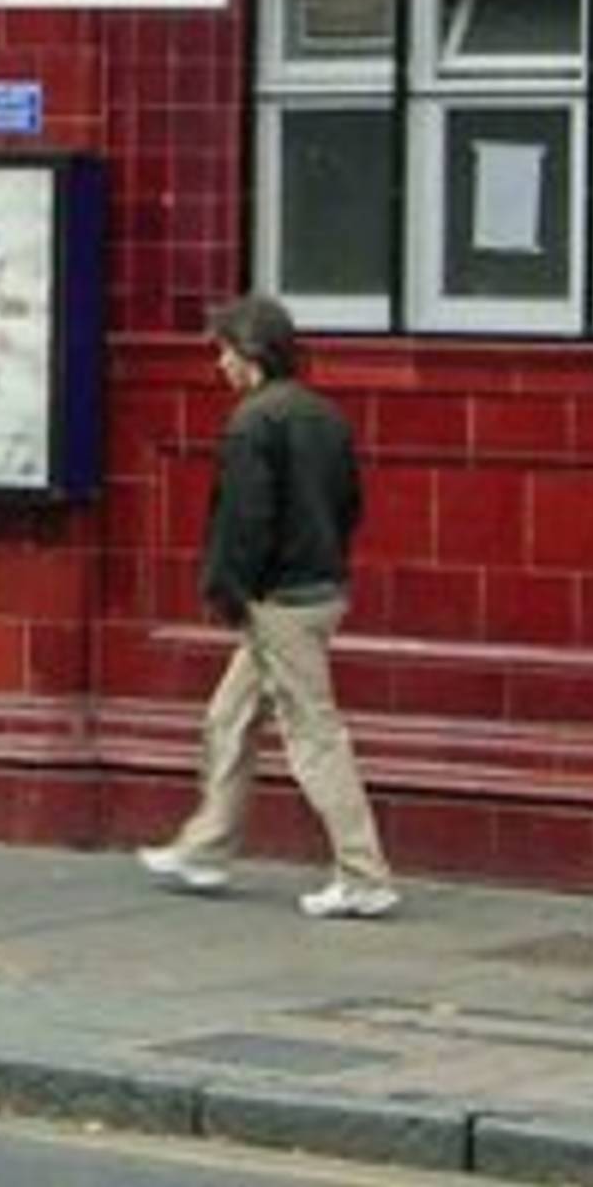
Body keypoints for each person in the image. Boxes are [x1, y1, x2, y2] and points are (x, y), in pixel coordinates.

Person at [136, 292, 402, 921]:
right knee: (228, 715)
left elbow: (244, 519)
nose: (220, 364)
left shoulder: (253, 423)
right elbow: (350, 506)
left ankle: (363, 873)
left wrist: (228, 588)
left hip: (278, 600)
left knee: (313, 733)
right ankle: (205, 848)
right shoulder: (325, 416)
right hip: (318, 591)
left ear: (251, 355)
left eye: (225, 351)